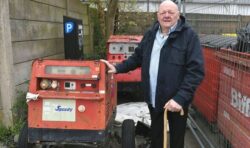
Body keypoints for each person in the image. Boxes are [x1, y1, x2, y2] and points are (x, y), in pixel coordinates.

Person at [101, 0, 204, 147]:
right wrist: (117, 68)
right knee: (156, 137)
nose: (166, 15)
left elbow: (196, 71)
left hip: (175, 101)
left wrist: (180, 98)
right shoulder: (151, 33)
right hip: (154, 98)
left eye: (171, 12)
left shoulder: (189, 36)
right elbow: (137, 57)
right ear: (158, 15)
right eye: (163, 12)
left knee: (176, 140)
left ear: (178, 15)